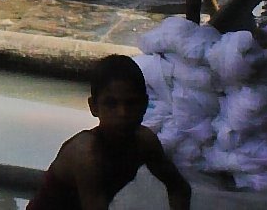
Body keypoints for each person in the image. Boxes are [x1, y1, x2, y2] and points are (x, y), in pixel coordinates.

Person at [26, 56, 190, 210]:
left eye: (131, 103)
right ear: (94, 107)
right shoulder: (86, 156)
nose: (122, 113)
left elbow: (179, 189)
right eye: (111, 104)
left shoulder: (145, 142)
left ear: (145, 104)